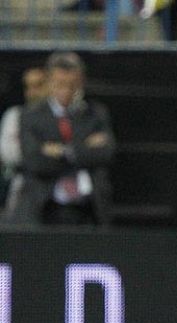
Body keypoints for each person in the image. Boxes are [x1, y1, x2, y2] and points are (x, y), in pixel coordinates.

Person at [3, 52, 116, 226]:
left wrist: (62, 151)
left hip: (87, 211)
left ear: (81, 82)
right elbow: (34, 160)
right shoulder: (30, 116)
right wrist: (82, 149)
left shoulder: (95, 114)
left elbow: (105, 153)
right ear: (49, 82)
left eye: (73, 85)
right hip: (44, 208)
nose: (66, 91)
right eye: (60, 84)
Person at [0, 67, 48, 208]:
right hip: (21, 183)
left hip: (55, 187)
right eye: (28, 87)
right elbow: (9, 154)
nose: (32, 93)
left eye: (38, 85)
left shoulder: (63, 115)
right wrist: (44, 150)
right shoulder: (15, 115)